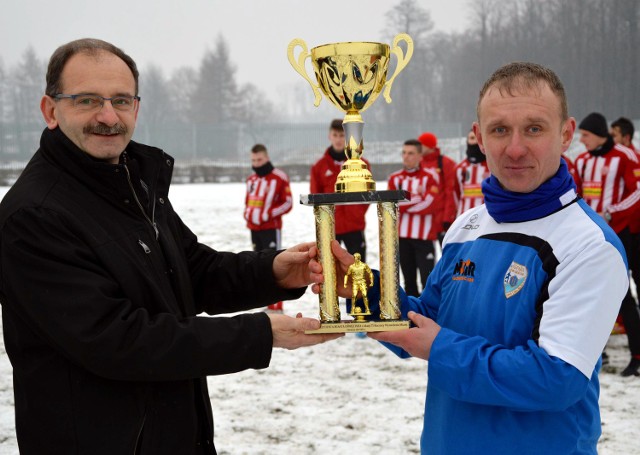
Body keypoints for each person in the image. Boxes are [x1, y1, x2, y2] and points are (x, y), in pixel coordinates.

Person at [0, 38, 342, 455]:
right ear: (51, 110)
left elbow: (191, 271)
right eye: (88, 100)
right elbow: (115, 340)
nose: (108, 116)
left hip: (173, 432)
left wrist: (273, 272)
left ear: (137, 108)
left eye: (121, 101)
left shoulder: (134, 182)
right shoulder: (33, 214)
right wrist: (259, 333)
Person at [365, 62, 629, 453]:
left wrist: (440, 349)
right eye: (500, 129)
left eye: (534, 129)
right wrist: (364, 289)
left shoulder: (589, 245)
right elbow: (426, 324)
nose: (515, 148)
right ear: (479, 137)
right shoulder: (467, 226)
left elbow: (556, 380)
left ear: (566, 134)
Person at [575, 112, 640, 376]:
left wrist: (611, 213)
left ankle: (636, 355)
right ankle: (592, 352)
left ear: (599, 134)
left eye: (585, 135)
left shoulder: (623, 156)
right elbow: (575, 192)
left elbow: (636, 191)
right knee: (587, 293)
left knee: (623, 294)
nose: (582, 140)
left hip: (619, 235)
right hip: (588, 236)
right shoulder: (581, 161)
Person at [310, 118, 370, 261]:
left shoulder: (362, 164)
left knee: (358, 268)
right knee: (329, 270)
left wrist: (357, 212)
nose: (338, 139)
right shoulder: (319, 166)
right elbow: (315, 196)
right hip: (330, 227)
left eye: (342, 135)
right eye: (335, 135)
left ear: (348, 137)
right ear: (329, 136)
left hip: (354, 226)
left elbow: (367, 194)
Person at [387, 139, 440, 296]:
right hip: (402, 238)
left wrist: (403, 202)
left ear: (419, 156)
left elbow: (430, 204)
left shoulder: (430, 177)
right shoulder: (394, 178)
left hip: (424, 238)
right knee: (408, 282)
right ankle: (411, 317)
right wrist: (416, 198)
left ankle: (429, 316)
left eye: (411, 153)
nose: (406, 156)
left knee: (427, 280)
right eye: (404, 152)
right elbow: (391, 206)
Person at [244, 143, 293, 312]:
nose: (256, 163)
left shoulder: (279, 177)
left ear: (267, 158)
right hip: (254, 228)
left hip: (271, 229)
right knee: (258, 265)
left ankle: (277, 304)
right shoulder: (251, 179)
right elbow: (248, 201)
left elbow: (288, 203)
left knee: (274, 264)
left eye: (259, 159)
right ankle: (266, 302)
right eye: (253, 160)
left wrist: (268, 214)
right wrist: (248, 214)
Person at [417, 131, 457, 243]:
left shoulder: (446, 163)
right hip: (423, 220)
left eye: (421, 144)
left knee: (448, 254)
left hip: (441, 220)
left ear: (429, 146)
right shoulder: (418, 163)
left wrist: (448, 218)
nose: (418, 147)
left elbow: (451, 192)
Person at [453, 128, 490, 217]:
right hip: (464, 217)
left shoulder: (493, 167)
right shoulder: (459, 168)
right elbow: (455, 195)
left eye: (478, 139)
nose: (475, 142)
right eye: (472, 138)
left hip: (487, 217)